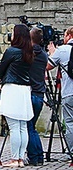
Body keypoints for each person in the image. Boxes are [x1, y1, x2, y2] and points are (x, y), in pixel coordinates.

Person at [0, 24, 34, 168]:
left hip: (12, 89)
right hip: (24, 90)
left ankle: (13, 159)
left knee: (13, 126)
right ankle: (20, 158)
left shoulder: (11, 51)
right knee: (22, 126)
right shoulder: (29, 52)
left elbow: (1, 71)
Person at [47, 26, 73, 154]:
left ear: (69, 36)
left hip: (69, 92)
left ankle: (72, 152)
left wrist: (52, 53)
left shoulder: (62, 50)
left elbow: (47, 66)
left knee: (70, 122)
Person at [26, 27, 48, 166]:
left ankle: (34, 157)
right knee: (32, 127)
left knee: (28, 127)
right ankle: (39, 156)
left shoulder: (28, 54)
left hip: (29, 92)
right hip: (40, 93)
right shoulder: (44, 54)